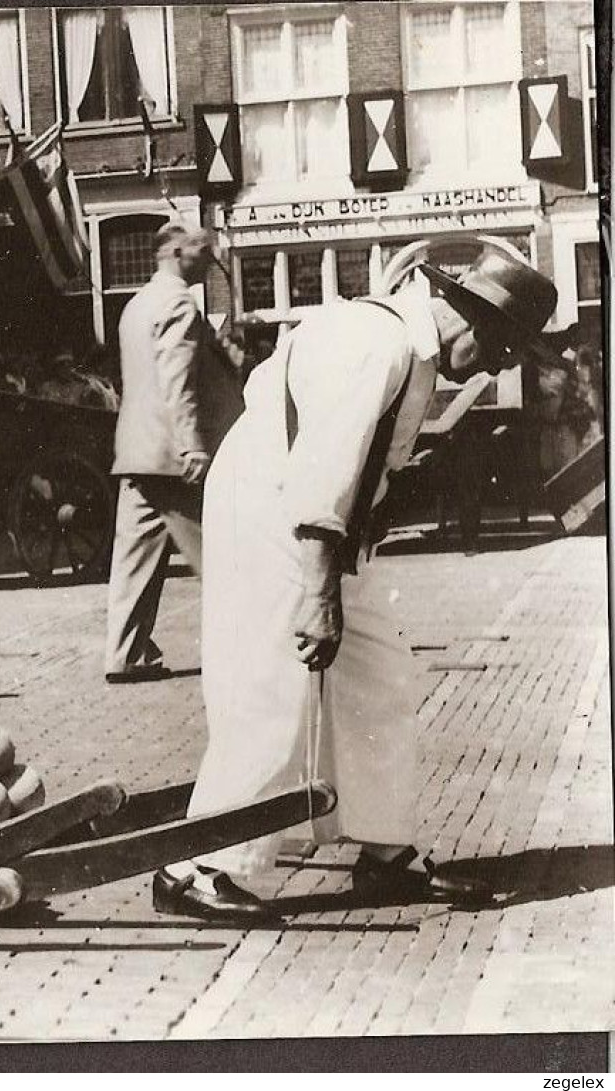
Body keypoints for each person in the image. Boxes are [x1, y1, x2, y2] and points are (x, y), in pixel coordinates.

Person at [152, 249, 558, 922]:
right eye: (501, 345)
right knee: (278, 673)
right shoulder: (376, 345)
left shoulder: (412, 352)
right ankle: (201, 864)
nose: (500, 364)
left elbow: (360, 464)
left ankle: (385, 853)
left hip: (316, 510)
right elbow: (323, 466)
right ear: (465, 313)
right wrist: (317, 594)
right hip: (273, 499)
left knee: (377, 670)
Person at [104, 224, 244, 683]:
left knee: (133, 559)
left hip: (136, 450)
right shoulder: (179, 303)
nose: (210, 259)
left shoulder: (135, 305)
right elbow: (176, 380)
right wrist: (192, 446)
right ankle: (248, 646)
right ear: (177, 250)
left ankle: (124, 653)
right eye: (204, 250)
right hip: (172, 454)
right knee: (219, 554)